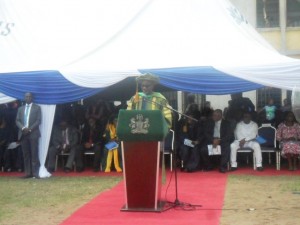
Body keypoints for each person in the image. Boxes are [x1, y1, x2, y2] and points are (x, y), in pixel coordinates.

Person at [16, 92, 41, 178]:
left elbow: (38, 120)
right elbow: (17, 120)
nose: (28, 98)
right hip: (23, 134)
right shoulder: (20, 109)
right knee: (26, 154)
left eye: (30, 96)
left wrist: (29, 129)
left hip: (33, 133)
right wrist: (23, 128)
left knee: (34, 153)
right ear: (24, 98)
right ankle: (28, 173)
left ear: (32, 98)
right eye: (26, 96)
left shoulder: (37, 108)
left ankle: (35, 173)